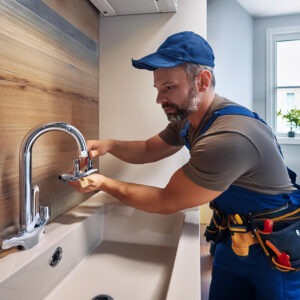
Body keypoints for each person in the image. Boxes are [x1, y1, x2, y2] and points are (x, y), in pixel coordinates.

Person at [69, 31, 300, 300]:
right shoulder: (188, 119)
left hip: (274, 253)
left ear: (202, 81)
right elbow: (148, 149)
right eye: (158, 88)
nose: (159, 99)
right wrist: (109, 145)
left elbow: (165, 201)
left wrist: (103, 183)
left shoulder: (228, 137)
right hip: (232, 240)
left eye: (169, 87)